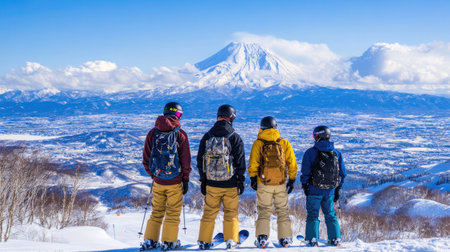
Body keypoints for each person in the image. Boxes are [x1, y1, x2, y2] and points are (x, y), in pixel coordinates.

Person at [141, 102, 191, 251]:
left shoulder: (153, 133)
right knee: (173, 213)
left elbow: (146, 159)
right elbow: (185, 160)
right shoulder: (179, 134)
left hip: (158, 181)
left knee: (156, 211)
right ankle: (169, 242)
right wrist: (185, 178)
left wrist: (155, 176)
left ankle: (150, 241)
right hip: (175, 181)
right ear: (178, 115)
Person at [196, 104, 246, 250]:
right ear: (231, 118)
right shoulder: (234, 137)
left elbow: (201, 161)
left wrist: (203, 180)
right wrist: (240, 181)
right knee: (231, 213)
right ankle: (231, 239)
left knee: (209, 213)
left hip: (212, 183)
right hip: (230, 183)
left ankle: (204, 240)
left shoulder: (207, 136)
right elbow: (240, 161)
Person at [248, 116, 298, 248]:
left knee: (264, 210)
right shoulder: (284, 143)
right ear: (276, 127)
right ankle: (285, 238)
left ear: (262, 128)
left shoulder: (258, 143)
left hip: (264, 182)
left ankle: (262, 237)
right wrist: (291, 180)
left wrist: (253, 178)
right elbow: (292, 163)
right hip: (280, 183)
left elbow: (253, 163)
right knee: (282, 210)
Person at [300, 125, 346, 247]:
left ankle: (312, 239)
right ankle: (335, 238)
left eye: (314, 136)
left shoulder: (310, 152)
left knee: (313, 215)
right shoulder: (336, 153)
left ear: (318, 136)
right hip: (330, 191)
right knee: (330, 214)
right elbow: (342, 173)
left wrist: (305, 185)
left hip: (314, 190)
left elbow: (305, 171)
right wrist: (338, 188)